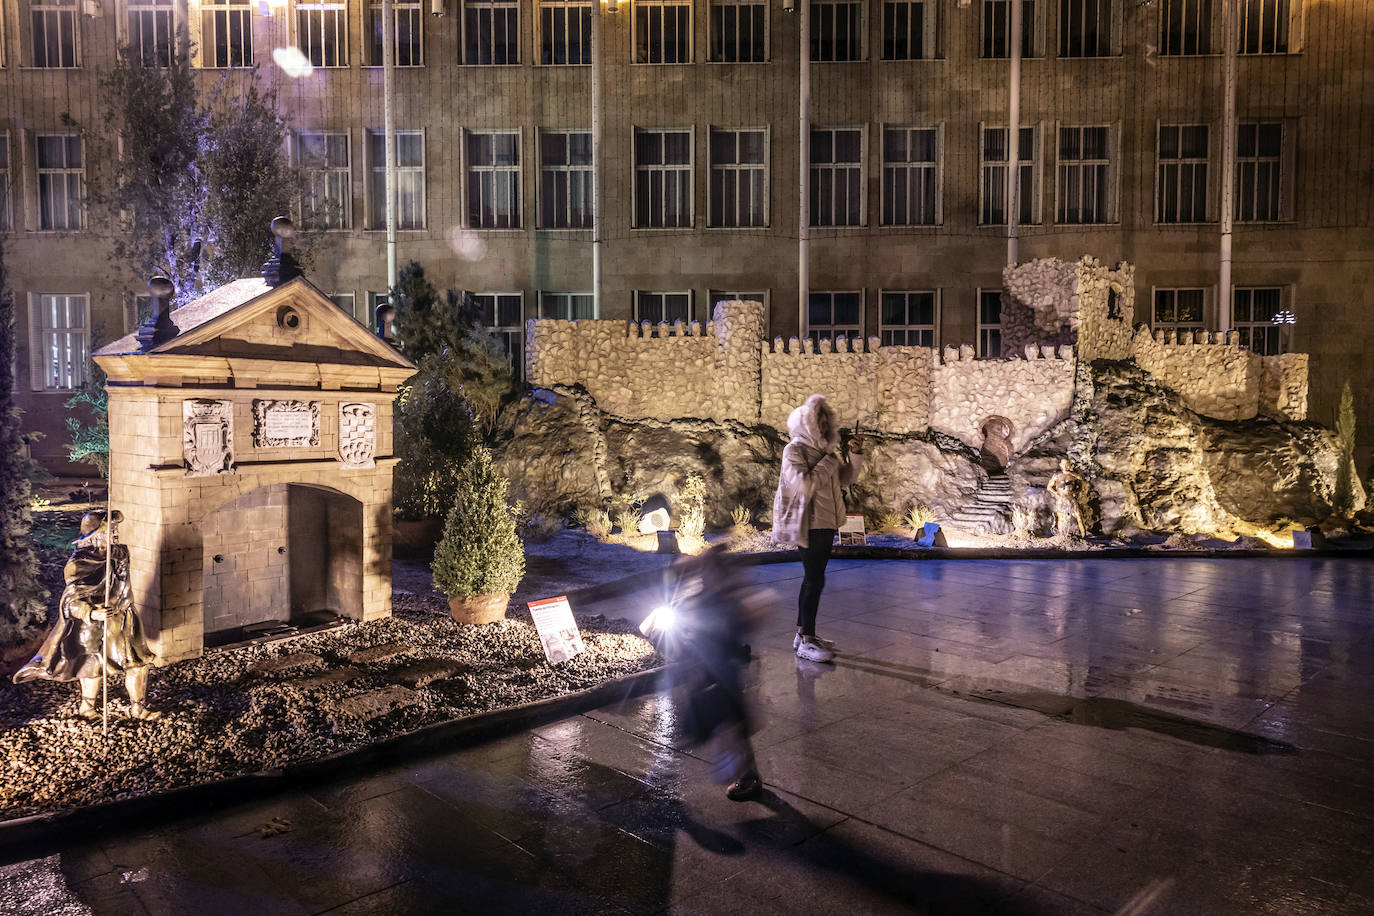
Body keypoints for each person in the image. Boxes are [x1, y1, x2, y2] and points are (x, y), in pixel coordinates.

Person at [13, 509, 160, 720]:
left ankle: (137, 708)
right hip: (93, 625)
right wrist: (91, 613)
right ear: (94, 536)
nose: (115, 534)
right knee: (93, 667)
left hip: (124, 619)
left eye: (115, 529)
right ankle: (87, 707)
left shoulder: (119, 553)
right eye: (109, 531)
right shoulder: (78, 564)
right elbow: (70, 600)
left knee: (138, 664)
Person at [771, 393, 865, 663]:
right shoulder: (794, 450)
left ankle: (803, 634)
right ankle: (807, 641)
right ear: (807, 423)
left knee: (812, 579)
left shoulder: (826, 453)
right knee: (814, 580)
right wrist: (828, 462)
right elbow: (804, 485)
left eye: (826, 422)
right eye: (819, 422)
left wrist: (854, 454)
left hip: (826, 522)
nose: (824, 427)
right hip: (809, 525)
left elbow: (845, 479)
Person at [1046, 458, 1088, 537]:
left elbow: (1081, 484)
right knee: (1061, 517)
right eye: (1063, 464)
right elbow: (1049, 487)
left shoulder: (1074, 475)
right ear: (1060, 465)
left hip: (1071, 498)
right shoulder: (1056, 475)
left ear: (1069, 465)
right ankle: (1062, 535)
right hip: (1061, 498)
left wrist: (1076, 491)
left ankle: (1084, 535)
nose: (1065, 466)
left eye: (1067, 464)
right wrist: (1056, 493)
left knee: (1079, 516)